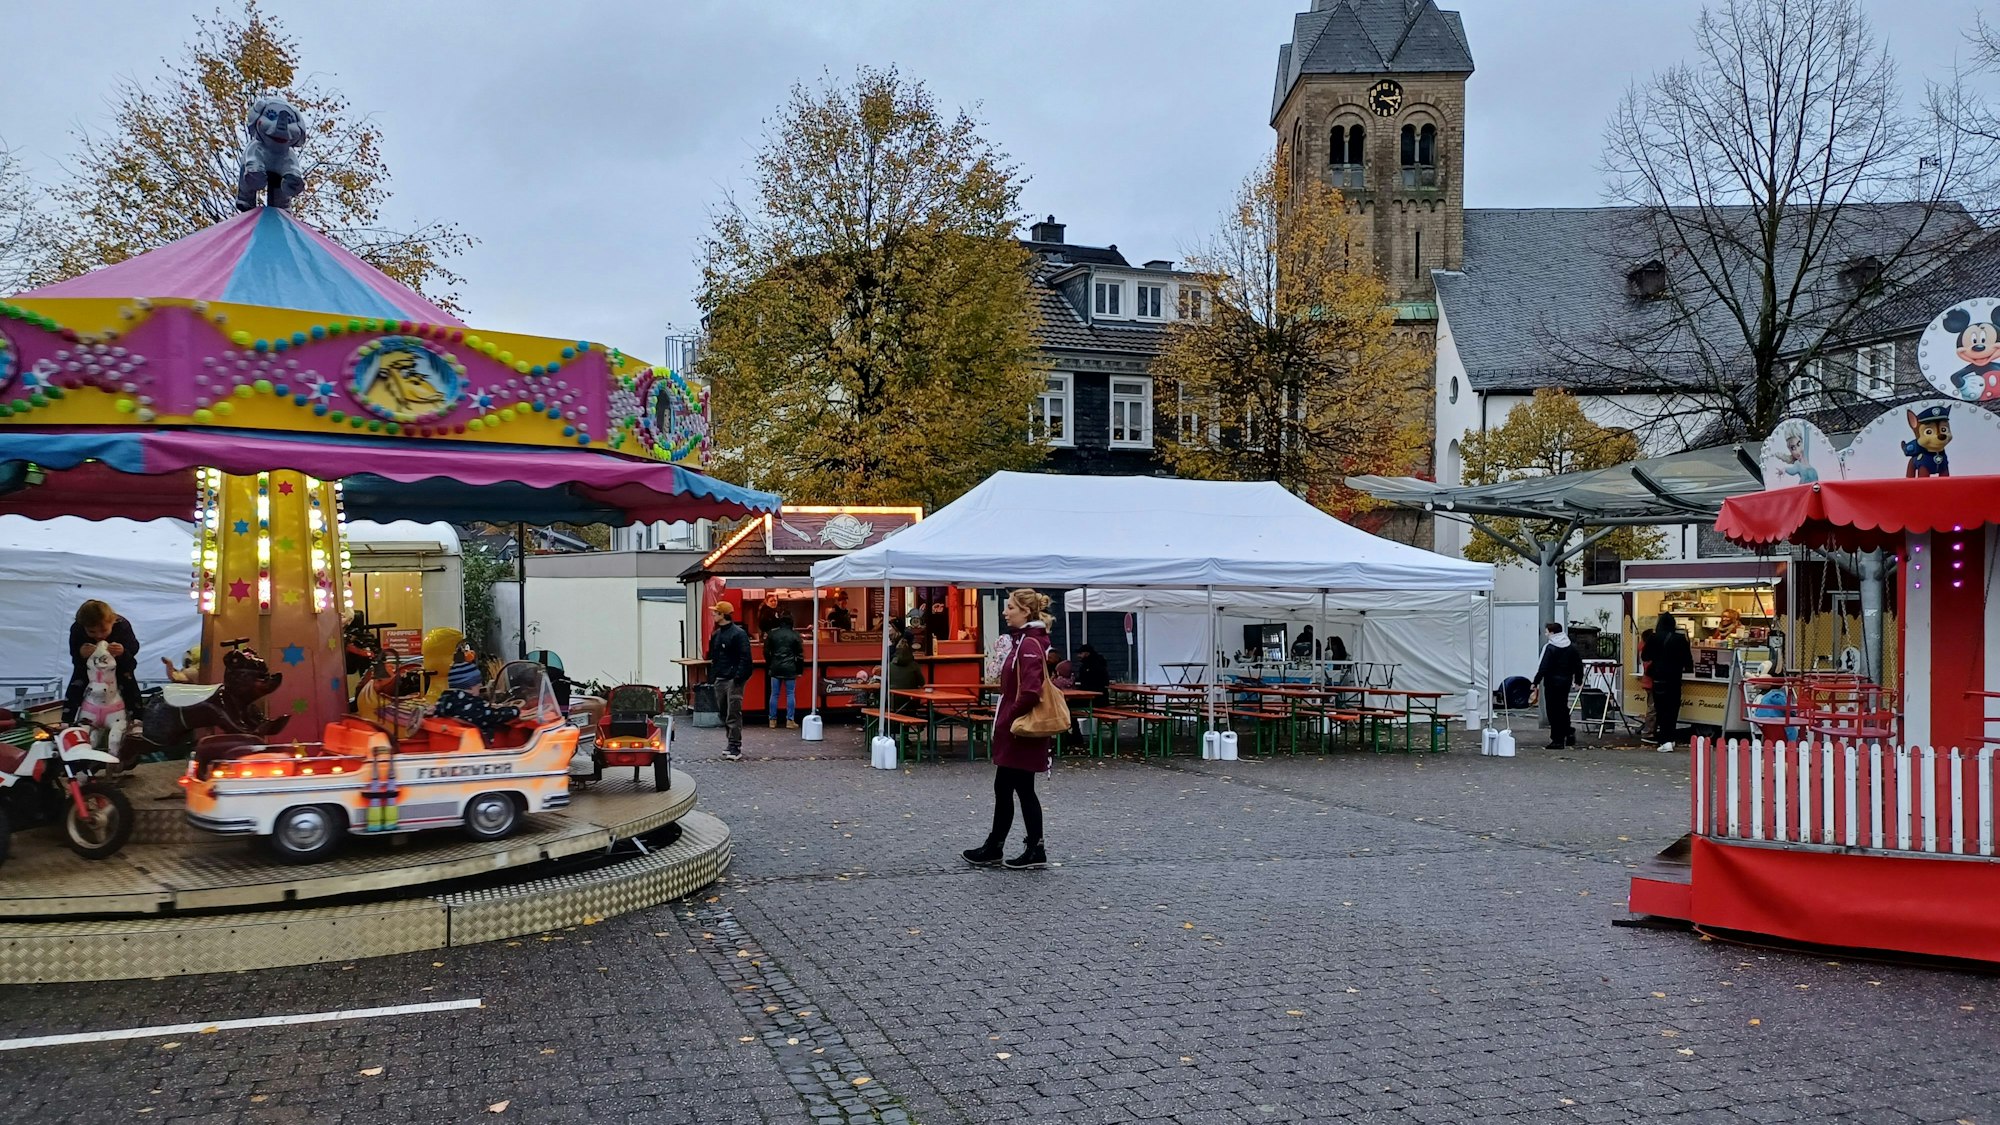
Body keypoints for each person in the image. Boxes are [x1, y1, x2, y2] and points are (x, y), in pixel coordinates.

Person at [963, 589, 1054, 872]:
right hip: (1019, 729)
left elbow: (1029, 691)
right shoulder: (1025, 641)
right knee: (1011, 787)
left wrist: (1008, 719)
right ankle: (1004, 845)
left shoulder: (1027, 645)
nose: (1005, 612)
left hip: (1020, 730)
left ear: (1025, 612)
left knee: (1016, 788)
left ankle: (1022, 847)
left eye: (1011, 607)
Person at [64, 600, 143, 723]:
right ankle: (67, 720)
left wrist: (122, 651)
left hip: (119, 667)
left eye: (104, 630)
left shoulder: (122, 626)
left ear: (113, 622)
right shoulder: (77, 629)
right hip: (88, 668)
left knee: (129, 686)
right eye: (91, 632)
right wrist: (81, 653)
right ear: (83, 626)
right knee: (76, 685)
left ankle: (137, 719)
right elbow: (74, 653)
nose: (99, 636)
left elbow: (134, 647)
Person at [1640, 613, 1694, 753]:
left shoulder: (1654, 637)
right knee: (1673, 710)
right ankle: (1671, 738)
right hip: (1675, 679)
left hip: (1659, 678)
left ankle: (1665, 741)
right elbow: (1688, 662)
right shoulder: (1680, 639)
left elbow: (1645, 656)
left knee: (1661, 710)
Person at [706, 602, 752, 760]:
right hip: (722, 677)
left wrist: (738, 677)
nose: (713, 615)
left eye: (715, 613)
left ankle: (734, 745)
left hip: (733, 679)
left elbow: (745, 658)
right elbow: (715, 657)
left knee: (733, 711)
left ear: (722, 615)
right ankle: (731, 743)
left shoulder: (737, 634)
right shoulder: (718, 634)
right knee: (724, 711)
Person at [1529, 622, 1583, 749]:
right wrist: (1578, 681)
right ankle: (1568, 732)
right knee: (1562, 708)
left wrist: (1535, 682)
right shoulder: (1571, 647)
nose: (1546, 634)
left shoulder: (1550, 648)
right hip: (1565, 682)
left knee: (1553, 711)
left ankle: (1557, 739)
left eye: (1547, 631)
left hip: (1552, 682)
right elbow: (1578, 665)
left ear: (1552, 633)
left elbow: (1543, 667)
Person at [764, 611, 804, 729]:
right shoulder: (795, 635)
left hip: (775, 667)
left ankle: (772, 720)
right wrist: (799, 670)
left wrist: (770, 663)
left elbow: (766, 651)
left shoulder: (772, 634)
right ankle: (790, 720)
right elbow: (800, 655)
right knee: (790, 694)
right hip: (790, 668)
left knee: (774, 694)